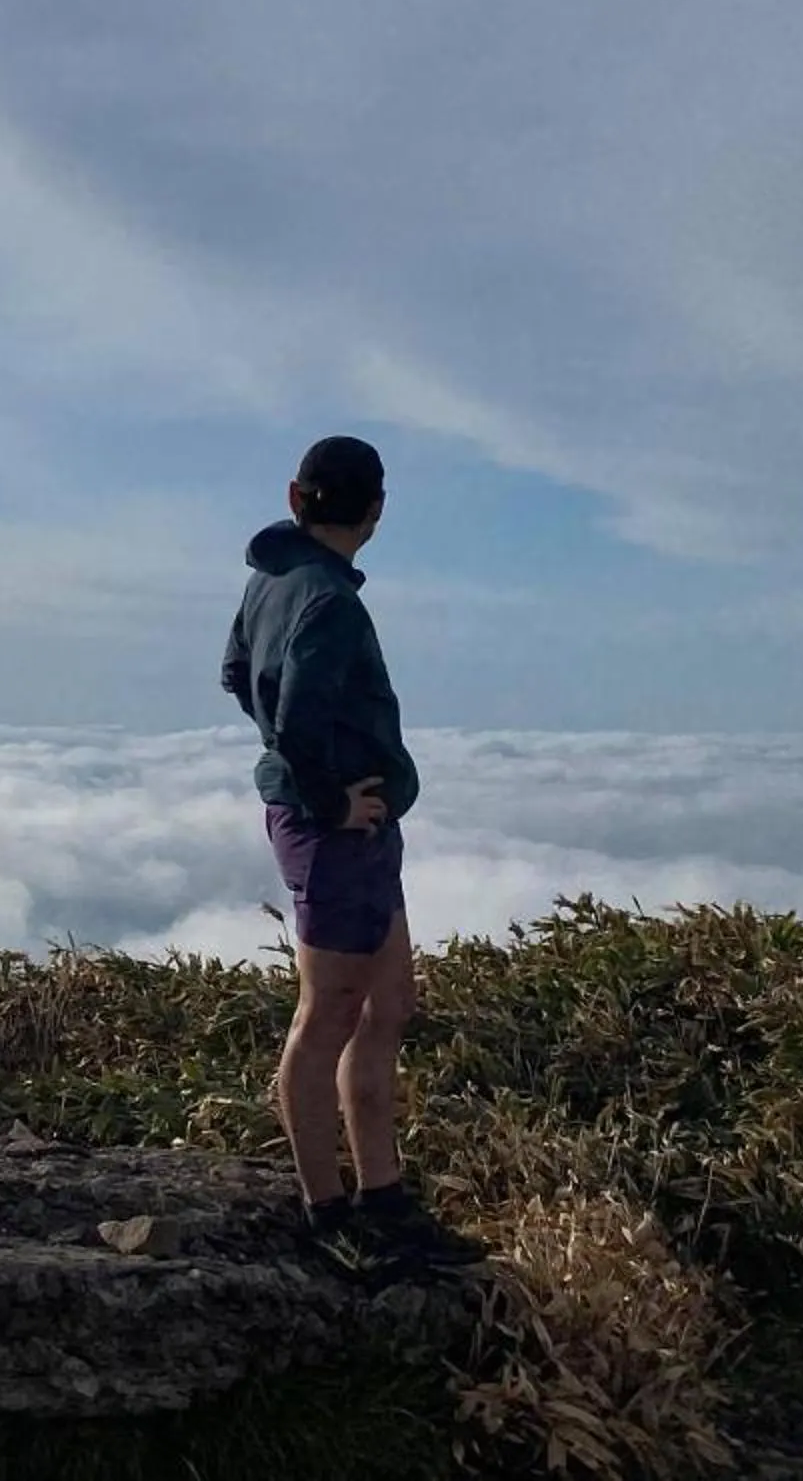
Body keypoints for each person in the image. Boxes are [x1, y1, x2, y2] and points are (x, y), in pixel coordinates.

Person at [221, 435, 487, 1280]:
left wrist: (299, 770)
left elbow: (235, 672)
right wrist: (330, 796)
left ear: (297, 497)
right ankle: (327, 1210)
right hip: (335, 829)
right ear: (375, 512)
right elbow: (296, 716)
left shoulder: (273, 580)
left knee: (389, 1003)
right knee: (330, 1014)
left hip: (349, 830)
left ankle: (383, 1194)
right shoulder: (327, 601)